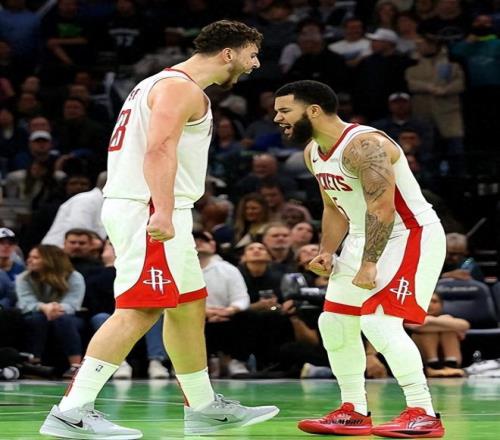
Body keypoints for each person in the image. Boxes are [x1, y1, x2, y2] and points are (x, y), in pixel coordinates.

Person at [40, 20, 278, 440]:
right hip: (148, 205)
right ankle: (72, 410)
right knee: (140, 308)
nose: (255, 64)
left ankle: (203, 406)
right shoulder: (180, 87)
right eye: (252, 54)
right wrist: (163, 211)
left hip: (157, 205)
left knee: (188, 305)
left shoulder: (163, 83)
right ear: (228, 53)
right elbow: (160, 147)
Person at [274, 80, 446, 438]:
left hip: (408, 235)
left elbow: (382, 209)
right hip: (360, 236)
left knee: (379, 322)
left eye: (285, 110)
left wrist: (369, 264)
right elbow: (333, 207)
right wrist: (326, 251)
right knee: (335, 323)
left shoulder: (366, 145)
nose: (278, 118)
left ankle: (424, 413)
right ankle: (352, 410)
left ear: (313, 111)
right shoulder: (313, 151)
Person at [15, 245, 85, 378]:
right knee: (36, 318)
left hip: (67, 315)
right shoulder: (23, 278)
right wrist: (44, 307)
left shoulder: (74, 276)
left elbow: (73, 304)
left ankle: (75, 366)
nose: (29, 260)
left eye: (35, 257)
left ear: (50, 260)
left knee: (63, 320)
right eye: (29, 257)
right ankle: (34, 365)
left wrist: (55, 308)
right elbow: (26, 303)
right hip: (36, 314)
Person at [406, 292, 469, 377]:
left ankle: (451, 365)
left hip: (445, 357)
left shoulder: (445, 317)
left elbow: (465, 325)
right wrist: (450, 325)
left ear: (441, 305)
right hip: (421, 359)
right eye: (426, 301)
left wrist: (430, 320)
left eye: (434, 301)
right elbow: (417, 327)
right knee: (429, 332)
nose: (430, 305)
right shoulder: (410, 317)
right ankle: (433, 366)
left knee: (449, 332)